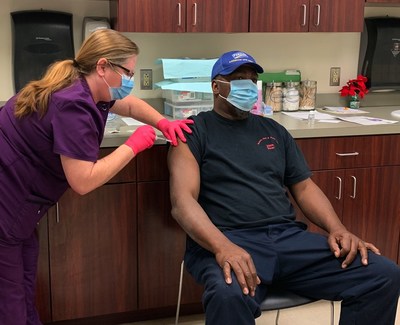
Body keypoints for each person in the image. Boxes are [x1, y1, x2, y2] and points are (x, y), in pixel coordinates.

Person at [168, 50, 400, 324]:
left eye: (252, 80)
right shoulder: (194, 131)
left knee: (382, 274)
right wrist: (223, 247)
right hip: (229, 238)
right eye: (238, 78)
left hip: (287, 239)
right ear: (216, 87)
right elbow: (183, 203)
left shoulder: (274, 130)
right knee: (228, 294)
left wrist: (338, 229)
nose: (247, 85)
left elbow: (304, 188)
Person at [0, 29, 193, 325]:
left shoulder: (88, 85)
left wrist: (162, 121)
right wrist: (134, 145)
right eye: (127, 72)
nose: (131, 79)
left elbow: (127, 104)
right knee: (9, 297)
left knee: (24, 279)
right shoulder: (73, 104)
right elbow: (83, 180)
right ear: (102, 66)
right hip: (8, 198)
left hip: (20, 201)